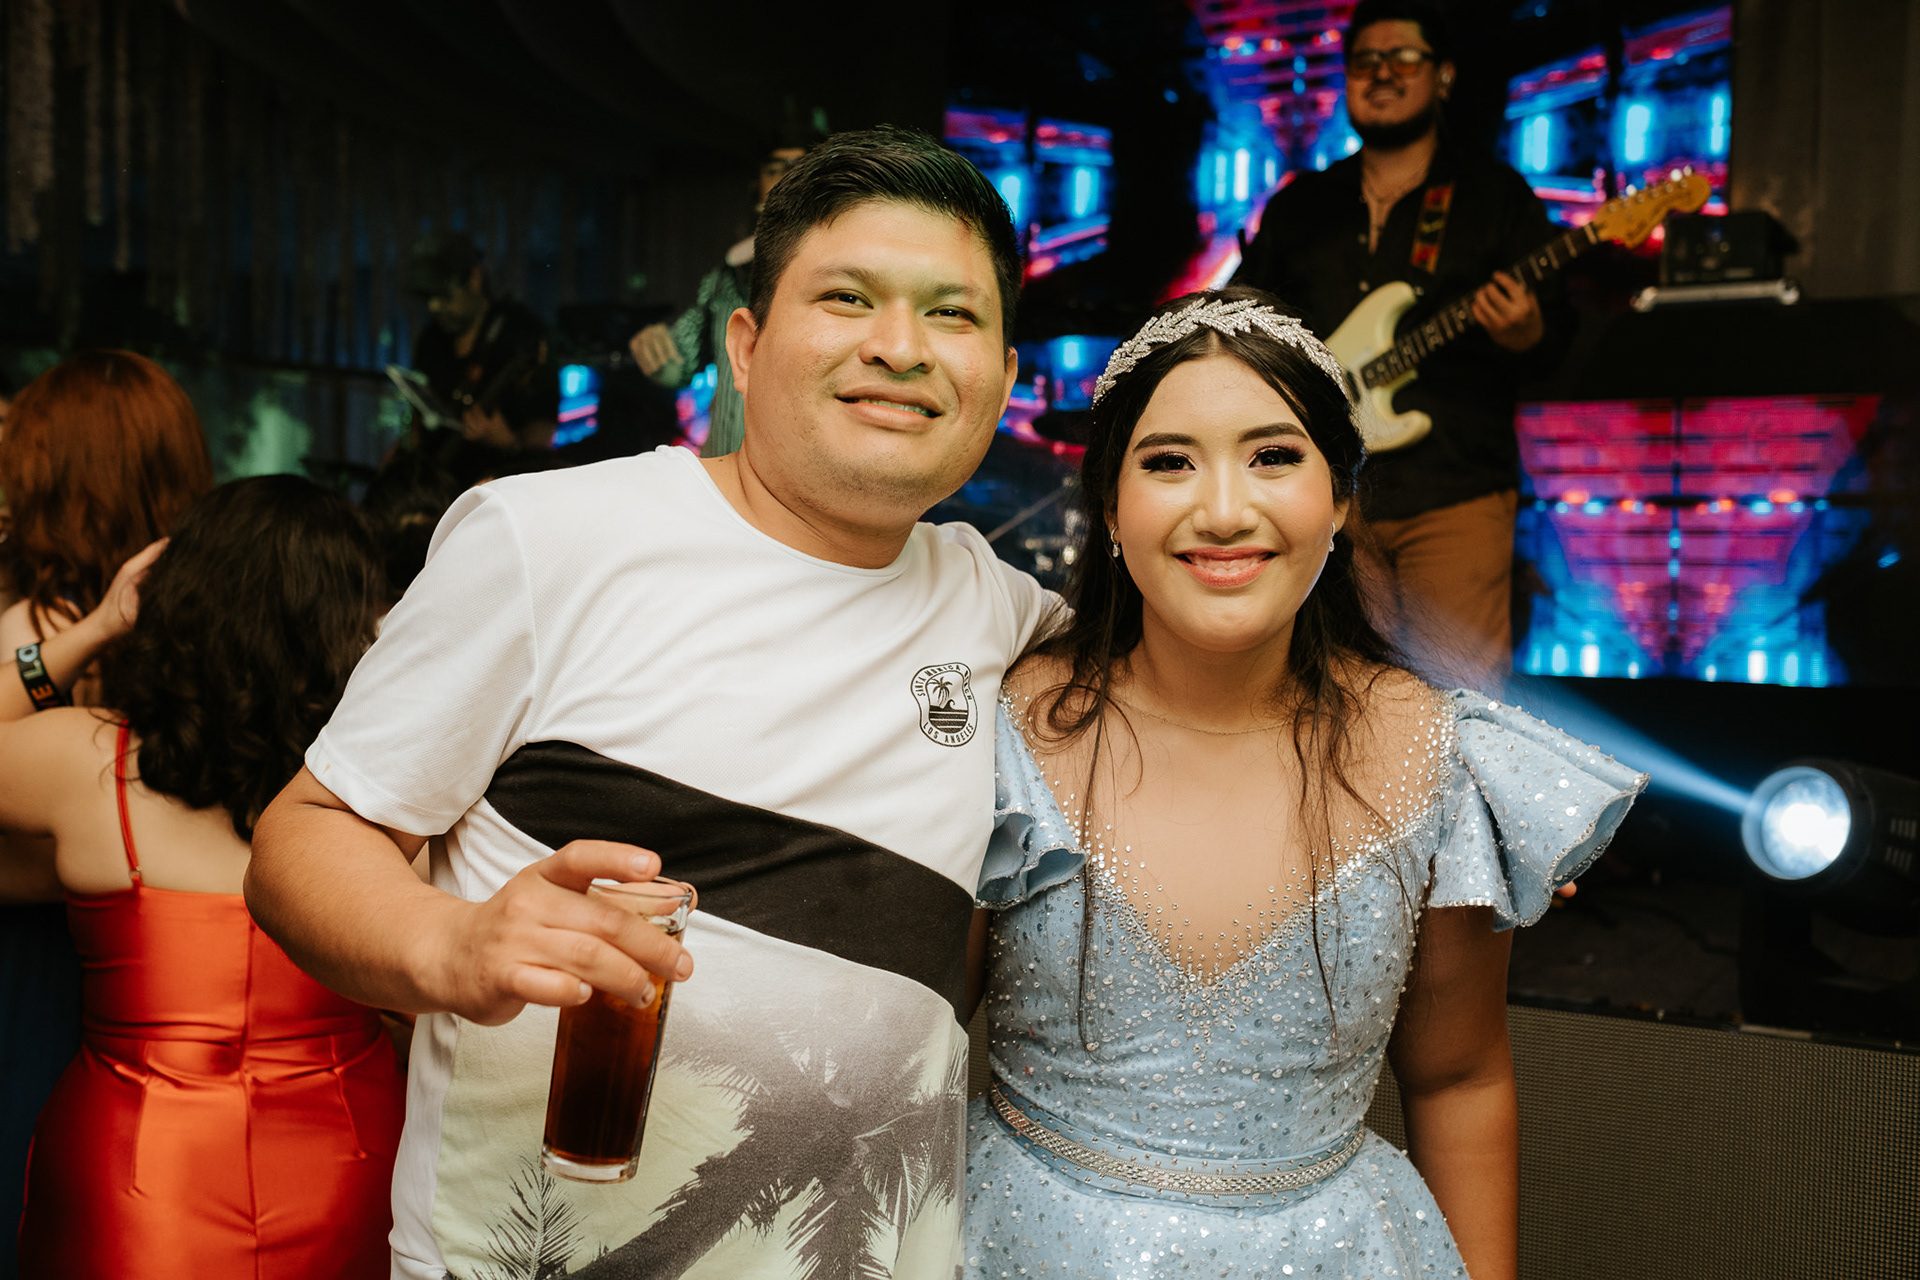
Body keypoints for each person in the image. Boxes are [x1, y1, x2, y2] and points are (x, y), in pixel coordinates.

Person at [246, 126, 1046, 1279]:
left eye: (951, 313)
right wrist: (452, 941)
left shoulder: (1004, 613)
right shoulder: (547, 541)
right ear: (744, 346)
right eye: (848, 297)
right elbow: (304, 837)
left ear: (1004, 380)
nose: (899, 345)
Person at [962, 288, 1644, 1279]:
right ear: (1109, 504)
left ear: (1340, 498)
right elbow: (911, 1035)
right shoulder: (1005, 727)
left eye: (1274, 455)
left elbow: (1457, 1079)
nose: (1224, 510)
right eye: (1169, 461)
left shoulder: (1437, 754)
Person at [1, 476, 404, 1279]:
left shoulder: (89, 765)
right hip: (347, 1161)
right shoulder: (390, 795)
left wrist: (95, 628)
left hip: (138, 1173)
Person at [1233, 0, 1574, 686]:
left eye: (1403, 58)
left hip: (1454, 489)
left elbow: (1559, 331)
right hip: (1329, 498)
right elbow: (1244, 320)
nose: (1382, 73)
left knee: (1459, 697)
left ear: (1443, 75)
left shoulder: (1493, 196)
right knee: (1336, 695)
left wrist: (1528, 330)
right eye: (1366, 61)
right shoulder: (1303, 206)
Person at [0, 350, 212, 1276]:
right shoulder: (188, 634)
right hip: (151, 972)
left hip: (47, 971)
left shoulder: (33, 626)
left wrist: (78, 632)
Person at [627, 139, 812, 458]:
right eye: (774, 170)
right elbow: (681, 363)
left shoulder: (839, 271)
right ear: (757, 187)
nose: (785, 178)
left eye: (798, 169)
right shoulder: (726, 274)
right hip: (724, 465)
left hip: (799, 473)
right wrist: (655, 350)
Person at [405, 230, 562, 485]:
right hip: (438, 484)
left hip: (501, 485)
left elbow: (543, 430)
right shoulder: (431, 340)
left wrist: (509, 442)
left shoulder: (521, 334)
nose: (435, 306)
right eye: (429, 297)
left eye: (445, 294)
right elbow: (417, 417)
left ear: (475, 278)